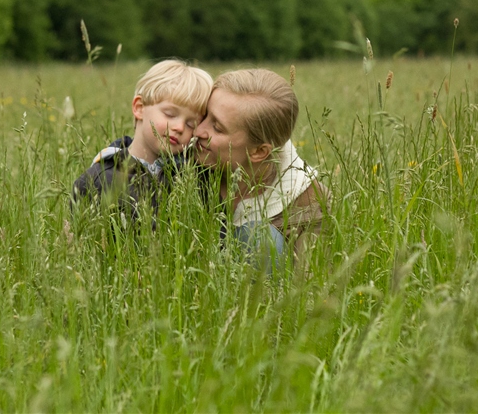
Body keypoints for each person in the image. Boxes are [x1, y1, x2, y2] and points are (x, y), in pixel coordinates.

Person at [193, 69, 330, 263]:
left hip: (263, 291)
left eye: (217, 127)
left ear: (259, 152)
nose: (198, 130)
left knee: (259, 238)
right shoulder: (176, 161)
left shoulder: (311, 204)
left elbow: (312, 287)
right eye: (204, 115)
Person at [72, 59, 213, 224]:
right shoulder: (100, 177)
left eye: (191, 124)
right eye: (170, 114)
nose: (180, 127)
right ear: (139, 108)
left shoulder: (193, 177)